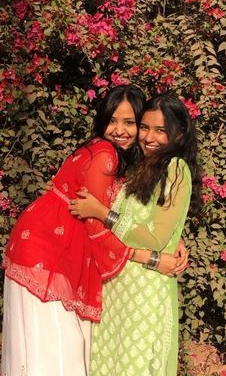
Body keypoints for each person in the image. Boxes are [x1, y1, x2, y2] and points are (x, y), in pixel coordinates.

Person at [1, 85, 188, 376]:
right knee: (56, 353)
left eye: (129, 123)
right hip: (48, 255)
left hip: (43, 251)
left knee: (47, 349)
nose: (120, 130)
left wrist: (175, 235)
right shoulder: (106, 156)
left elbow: (138, 210)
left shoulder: (130, 161)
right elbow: (97, 229)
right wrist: (152, 258)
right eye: (112, 121)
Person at [69, 94, 202, 375]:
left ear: (178, 134)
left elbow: (154, 237)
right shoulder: (140, 166)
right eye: (145, 127)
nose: (149, 137)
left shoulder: (175, 169)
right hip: (117, 290)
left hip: (145, 296)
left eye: (160, 130)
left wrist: (103, 213)